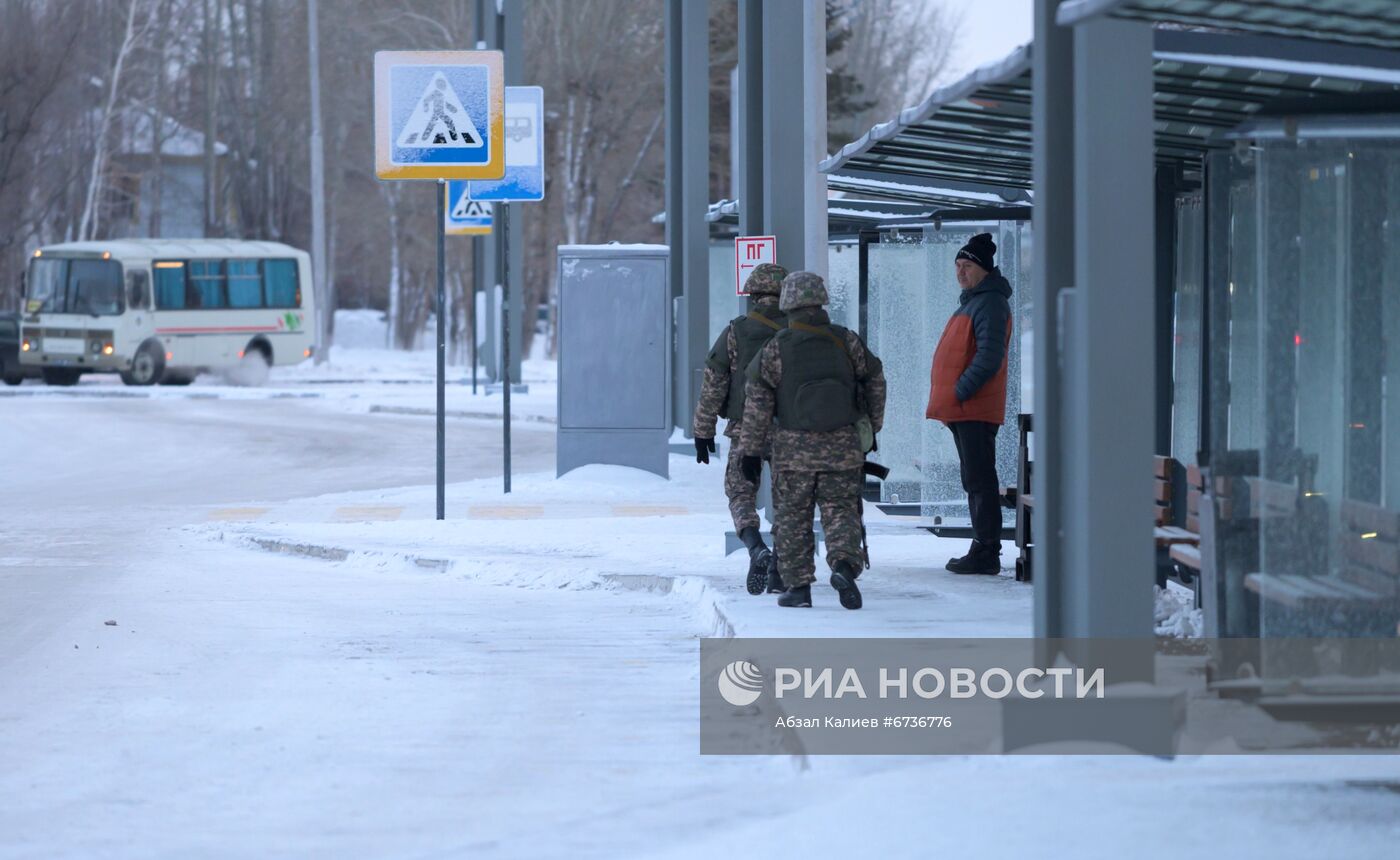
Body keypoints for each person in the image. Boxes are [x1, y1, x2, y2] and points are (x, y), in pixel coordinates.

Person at [740, 271, 886, 609]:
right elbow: (875, 381)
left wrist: (750, 450)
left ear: (788, 302)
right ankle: (845, 567)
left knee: (793, 518)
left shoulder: (775, 349)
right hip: (843, 449)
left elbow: (757, 404)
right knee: (841, 511)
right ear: (821, 300)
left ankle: (798, 588)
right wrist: (869, 428)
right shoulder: (846, 341)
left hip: (793, 453)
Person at [692, 263, 789, 595]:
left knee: (740, 492)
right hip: (790, 430)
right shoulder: (799, 332)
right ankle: (779, 565)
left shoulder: (737, 330)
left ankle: (755, 546)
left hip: (745, 427)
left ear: (753, 295)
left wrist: (703, 431)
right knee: (790, 499)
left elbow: (714, 382)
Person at [926, 232, 1013, 575]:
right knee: (973, 478)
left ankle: (987, 550)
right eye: (957, 266)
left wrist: (960, 392)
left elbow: (990, 357)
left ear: (984, 269)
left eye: (967, 266)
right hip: (964, 409)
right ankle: (982, 546)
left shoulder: (989, 302)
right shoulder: (974, 300)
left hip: (974, 407)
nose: (961, 272)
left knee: (979, 479)